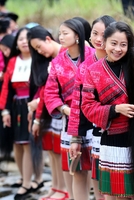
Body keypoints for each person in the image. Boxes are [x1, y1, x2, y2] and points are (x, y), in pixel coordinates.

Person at [81, 21, 134, 200]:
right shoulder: (92, 72)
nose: (118, 49)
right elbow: (87, 107)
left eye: (123, 44)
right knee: (119, 194)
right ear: (104, 43)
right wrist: (114, 109)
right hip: (114, 138)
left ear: (129, 45)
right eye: (113, 43)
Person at [44, 18, 94, 200]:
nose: (61, 37)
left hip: (93, 118)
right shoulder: (58, 62)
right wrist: (65, 109)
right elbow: (49, 92)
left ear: (78, 35)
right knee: (76, 166)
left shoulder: (93, 56)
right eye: (60, 33)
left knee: (96, 166)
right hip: (70, 118)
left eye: (65, 33)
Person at [68, 15, 115, 200]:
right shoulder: (85, 66)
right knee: (97, 175)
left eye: (103, 35)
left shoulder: (123, 61)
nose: (98, 39)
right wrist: (75, 137)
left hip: (119, 125)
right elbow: (76, 103)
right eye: (95, 33)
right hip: (93, 127)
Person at [28, 25, 67, 200]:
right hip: (50, 111)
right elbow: (44, 91)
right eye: (35, 49)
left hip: (63, 110)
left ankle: (64, 189)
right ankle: (57, 186)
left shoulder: (64, 55)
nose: (39, 51)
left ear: (48, 39)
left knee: (59, 151)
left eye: (38, 46)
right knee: (52, 151)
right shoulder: (49, 60)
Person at [0, 27, 33, 200]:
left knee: (27, 143)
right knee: (16, 143)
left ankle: (27, 183)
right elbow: (6, 87)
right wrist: (4, 110)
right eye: (20, 38)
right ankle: (22, 177)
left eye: (27, 38)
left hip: (31, 105)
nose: (24, 41)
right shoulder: (12, 61)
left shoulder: (37, 59)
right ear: (16, 42)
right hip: (14, 106)